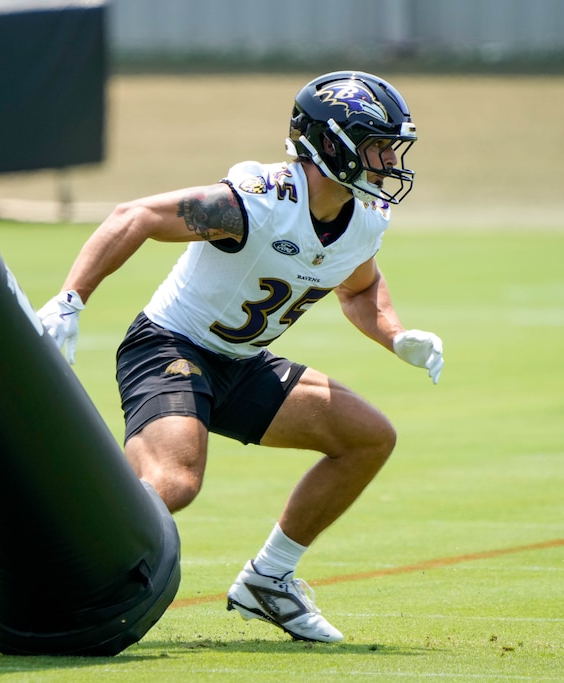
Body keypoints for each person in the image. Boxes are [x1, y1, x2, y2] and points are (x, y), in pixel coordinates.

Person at [37, 71, 443, 643]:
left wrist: (397, 335)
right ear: (332, 143)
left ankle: (269, 581)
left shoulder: (363, 219)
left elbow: (357, 288)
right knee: (174, 481)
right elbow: (137, 216)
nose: (387, 160)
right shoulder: (256, 202)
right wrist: (71, 298)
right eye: (377, 144)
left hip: (242, 360)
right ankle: (54, 554)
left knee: (368, 437)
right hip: (170, 346)